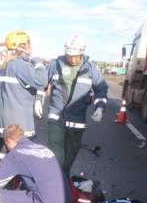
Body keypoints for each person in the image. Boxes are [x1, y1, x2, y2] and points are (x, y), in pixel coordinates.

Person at [45, 34, 108, 177]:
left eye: (76, 56)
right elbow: (41, 83)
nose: (72, 58)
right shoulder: (55, 65)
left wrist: (100, 107)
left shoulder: (91, 69)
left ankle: (63, 176)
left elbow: (101, 89)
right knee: (55, 150)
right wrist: (37, 99)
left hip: (76, 119)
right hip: (56, 116)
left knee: (71, 152)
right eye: (69, 55)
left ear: (82, 52)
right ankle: (55, 178)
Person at [0, 31, 47, 158]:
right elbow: (42, 81)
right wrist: (37, 61)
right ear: (24, 46)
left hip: (6, 121)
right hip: (20, 123)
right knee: (22, 155)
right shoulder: (21, 65)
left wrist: (38, 99)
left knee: (7, 153)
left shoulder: (7, 64)